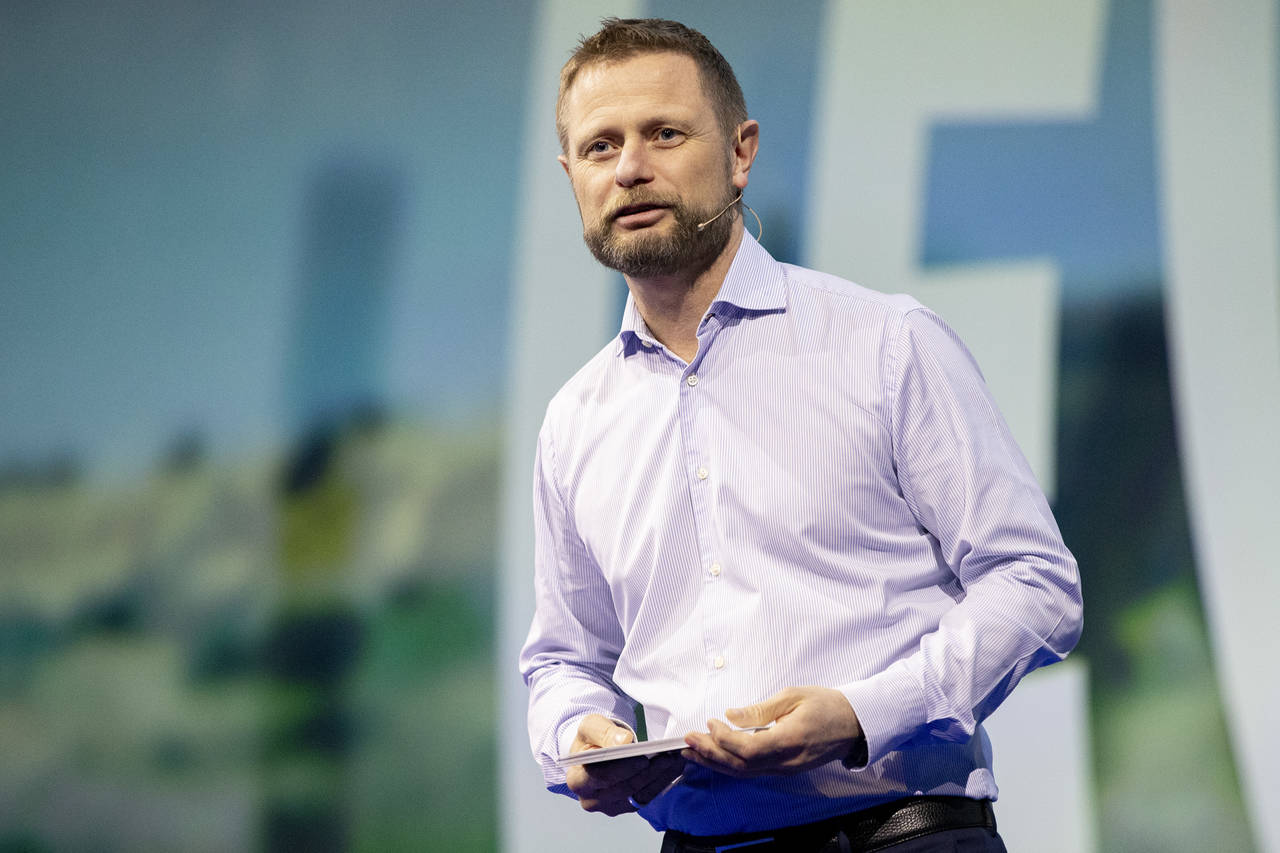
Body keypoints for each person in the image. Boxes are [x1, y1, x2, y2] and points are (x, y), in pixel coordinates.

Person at [520, 17, 1082, 852]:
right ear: (572, 177)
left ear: (741, 151)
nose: (631, 167)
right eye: (601, 148)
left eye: (664, 134)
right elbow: (563, 661)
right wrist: (576, 736)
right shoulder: (575, 422)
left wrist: (861, 714)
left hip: (902, 834)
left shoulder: (886, 343)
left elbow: (1035, 582)